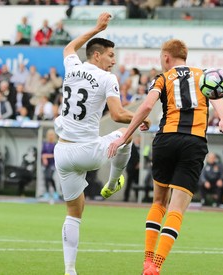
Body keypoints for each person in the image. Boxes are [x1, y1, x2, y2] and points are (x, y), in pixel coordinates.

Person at [107, 38, 223, 275]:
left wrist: (124, 136)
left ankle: (146, 260)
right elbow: (216, 94)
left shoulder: (162, 78)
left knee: (158, 202)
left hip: (165, 141)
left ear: (166, 57)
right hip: (194, 143)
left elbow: (145, 107)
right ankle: (155, 266)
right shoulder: (203, 75)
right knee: (177, 209)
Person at [53, 13, 149, 275]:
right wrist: (141, 117)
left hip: (62, 151)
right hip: (88, 151)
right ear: (96, 55)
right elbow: (119, 114)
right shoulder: (107, 79)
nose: (113, 61)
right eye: (110, 55)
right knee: (125, 131)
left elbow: (69, 47)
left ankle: (70, 269)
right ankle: (113, 181)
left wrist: (96, 28)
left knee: (74, 212)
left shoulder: (72, 67)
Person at [41, 129, 59, 201]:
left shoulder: (55, 144)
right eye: (49, 135)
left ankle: (55, 193)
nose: (50, 136)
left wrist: (47, 156)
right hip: (46, 165)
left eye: (52, 135)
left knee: (49, 177)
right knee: (46, 178)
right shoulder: (45, 144)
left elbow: (56, 155)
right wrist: (44, 158)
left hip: (52, 164)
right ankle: (47, 193)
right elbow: (42, 153)